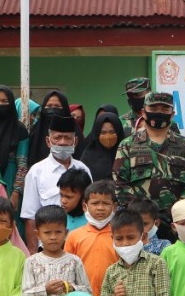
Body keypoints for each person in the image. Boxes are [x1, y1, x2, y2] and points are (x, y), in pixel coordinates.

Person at [114, 91, 185, 222]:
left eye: (165, 109)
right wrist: (143, 214)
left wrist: (174, 212)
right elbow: (120, 184)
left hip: (175, 223)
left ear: (172, 114)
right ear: (143, 113)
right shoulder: (127, 146)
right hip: (138, 224)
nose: (159, 112)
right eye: (153, 108)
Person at [21, 114, 91, 252]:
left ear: (75, 141)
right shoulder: (36, 172)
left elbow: (91, 208)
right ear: (48, 141)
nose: (63, 142)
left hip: (82, 245)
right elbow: (30, 217)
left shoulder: (83, 169)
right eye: (57, 137)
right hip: (48, 248)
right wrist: (33, 252)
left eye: (67, 138)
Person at [100, 209, 170, 296]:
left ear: (143, 237)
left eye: (131, 237)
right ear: (112, 238)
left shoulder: (156, 264)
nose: (125, 243)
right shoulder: (111, 271)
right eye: (119, 238)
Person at [66, 179, 120, 296]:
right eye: (95, 203)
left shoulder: (119, 236)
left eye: (106, 203)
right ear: (85, 206)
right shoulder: (74, 236)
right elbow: (68, 269)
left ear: (114, 207)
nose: (100, 208)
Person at [27, 90, 71, 167]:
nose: (53, 109)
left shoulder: (74, 131)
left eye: (57, 106)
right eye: (49, 106)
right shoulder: (35, 131)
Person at [78, 110, 125, 183]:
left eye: (112, 132)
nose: (108, 136)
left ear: (118, 132)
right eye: (103, 133)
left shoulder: (126, 153)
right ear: (97, 134)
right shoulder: (87, 158)